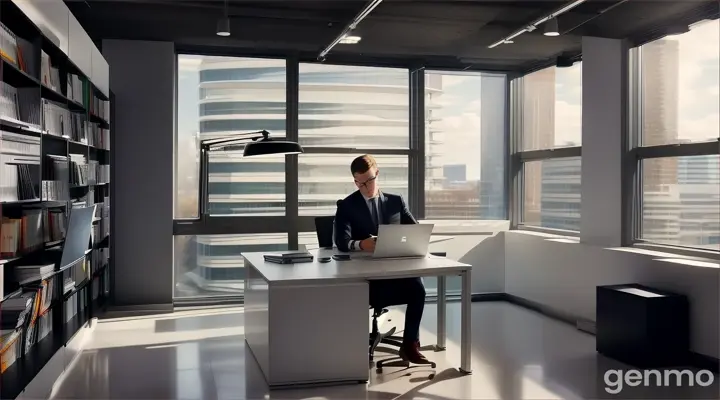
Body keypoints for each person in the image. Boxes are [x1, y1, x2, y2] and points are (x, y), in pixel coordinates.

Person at [334, 154, 428, 364]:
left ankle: (410, 345)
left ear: (377, 173)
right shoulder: (347, 205)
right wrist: (359, 244)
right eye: (360, 183)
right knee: (411, 287)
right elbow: (341, 241)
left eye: (369, 180)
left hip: (394, 272)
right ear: (355, 181)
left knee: (418, 288)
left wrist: (413, 241)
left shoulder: (396, 202)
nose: (366, 186)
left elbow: (415, 231)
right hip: (366, 279)